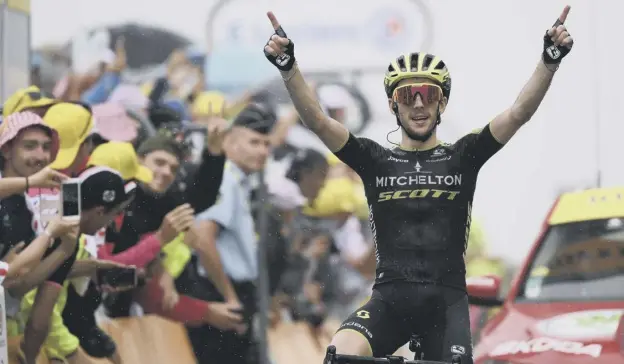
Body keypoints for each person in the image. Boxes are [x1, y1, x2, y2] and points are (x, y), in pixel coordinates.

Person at [263, 6, 573, 364]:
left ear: (442, 101)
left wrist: (549, 62)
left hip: (446, 304)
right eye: (408, 95)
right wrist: (289, 68)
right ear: (395, 104)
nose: (420, 103)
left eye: (428, 93)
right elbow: (317, 120)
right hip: (389, 300)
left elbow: (518, 112)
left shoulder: (463, 155)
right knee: (340, 355)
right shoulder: (374, 159)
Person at [189, 102, 274, 364]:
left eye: (266, 144)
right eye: (254, 142)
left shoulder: (238, 180)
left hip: (235, 293)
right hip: (221, 294)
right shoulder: (226, 178)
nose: (262, 151)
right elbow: (203, 238)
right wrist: (230, 297)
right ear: (229, 143)